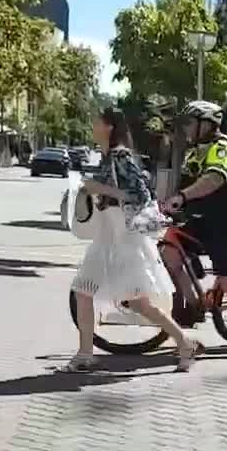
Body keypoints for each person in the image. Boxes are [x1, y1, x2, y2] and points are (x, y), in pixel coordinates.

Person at [68, 107, 199, 373]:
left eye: (96, 122)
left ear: (109, 127)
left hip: (124, 238)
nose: (93, 126)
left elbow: (140, 195)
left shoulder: (121, 156)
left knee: (139, 302)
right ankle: (85, 354)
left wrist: (99, 188)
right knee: (83, 290)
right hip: (107, 236)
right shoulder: (108, 157)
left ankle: (184, 341)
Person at [160, 100, 227, 357]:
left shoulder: (223, 148)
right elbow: (186, 183)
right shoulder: (196, 150)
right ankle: (193, 305)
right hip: (202, 219)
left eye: (190, 123)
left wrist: (183, 197)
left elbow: (214, 179)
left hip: (226, 222)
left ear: (206, 123)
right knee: (169, 249)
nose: (186, 128)